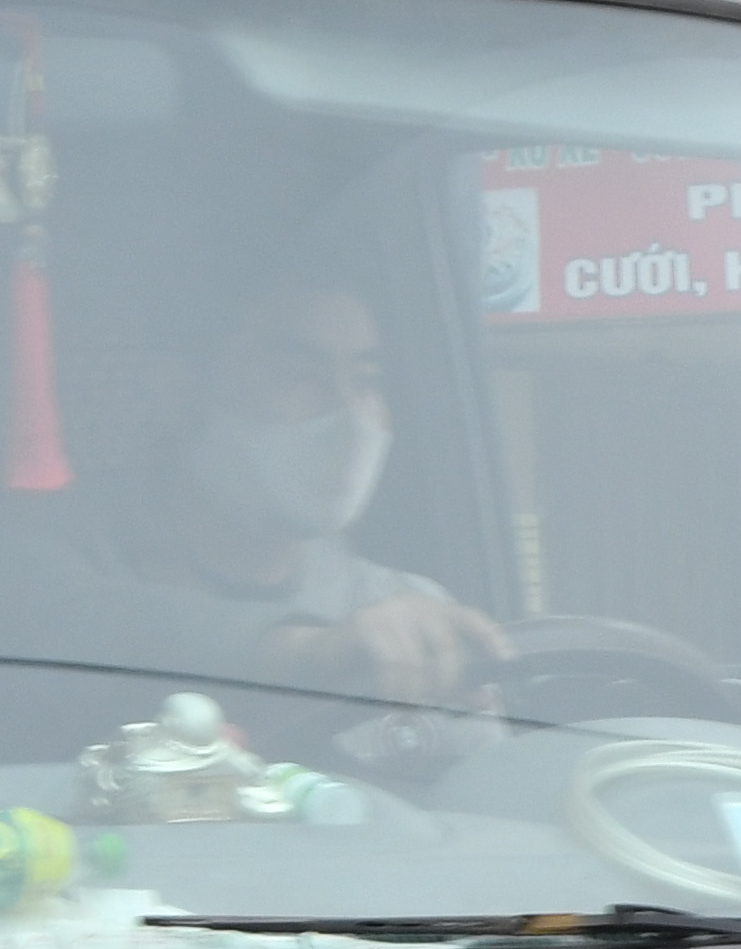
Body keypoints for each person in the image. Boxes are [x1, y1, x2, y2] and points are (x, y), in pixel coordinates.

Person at [82, 278, 508, 718]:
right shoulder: (80, 585)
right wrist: (312, 653)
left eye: (365, 382)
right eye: (302, 377)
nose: (350, 414)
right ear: (178, 395)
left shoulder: (414, 616)